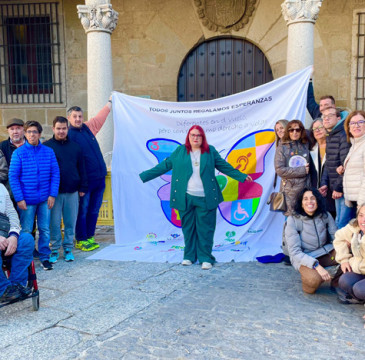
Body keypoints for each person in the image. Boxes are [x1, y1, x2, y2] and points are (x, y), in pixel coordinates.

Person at [139, 125, 252, 270]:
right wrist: (145, 175)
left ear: (203, 137)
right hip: (185, 197)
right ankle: (189, 256)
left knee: (206, 229)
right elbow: (165, 165)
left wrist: (241, 176)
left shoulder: (210, 151)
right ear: (188, 137)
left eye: (198, 135)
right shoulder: (180, 151)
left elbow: (224, 166)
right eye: (193, 135)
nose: (195, 138)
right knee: (188, 228)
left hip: (206, 197)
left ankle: (206, 258)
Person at [8, 121, 60, 270]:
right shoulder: (18, 153)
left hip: (44, 199)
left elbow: (55, 173)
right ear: (25, 134)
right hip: (27, 201)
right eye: (29, 132)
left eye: (35, 132)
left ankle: (44, 256)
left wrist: (52, 194)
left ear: (40, 134)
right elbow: (13, 177)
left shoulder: (48, 152)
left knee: (44, 229)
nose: (32, 134)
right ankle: (26, 258)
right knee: (26, 230)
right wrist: (19, 198)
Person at [67, 97, 112, 251]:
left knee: (94, 210)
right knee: (83, 210)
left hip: (99, 179)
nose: (78, 119)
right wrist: (79, 183)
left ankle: (90, 236)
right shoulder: (68, 135)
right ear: (69, 118)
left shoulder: (87, 128)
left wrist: (110, 102)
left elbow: (100, 118)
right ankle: (81, 238)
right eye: (75, 117)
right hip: (85, 183)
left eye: (80, 116)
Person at [44, 116, 88, 263]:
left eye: (64, 128)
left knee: (70, 222)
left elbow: (82, 168)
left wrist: (83, 186)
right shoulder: (47, 147)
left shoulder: (76, 147)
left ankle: (68, 248)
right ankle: (55, 249)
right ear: (53, 129)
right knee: (54, 223)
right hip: (53, 194)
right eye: (58, 128)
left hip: (72, 191)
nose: (61, 131)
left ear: (67, 129)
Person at [285, 187, 339, 294]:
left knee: (347, 251)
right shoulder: (293, 220)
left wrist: (345, 245)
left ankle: (336, 282)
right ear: (301, 203)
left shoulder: (325, 215)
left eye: (313, 198)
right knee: (314, 280)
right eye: (305, 199)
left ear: (317, 201)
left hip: (325, 252)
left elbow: (336, 238)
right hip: (304, 257)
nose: (309, 202)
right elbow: (294, 252)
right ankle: (309, 278)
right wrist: (316, 266)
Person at [319, 107, 353, 229]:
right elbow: (330, 163)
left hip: (344, 189)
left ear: (339, 118)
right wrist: (325, 183)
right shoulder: (332, 134)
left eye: (330, 115)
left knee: (343, 224)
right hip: (337, 188)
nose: (326, 118)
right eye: (324, 116)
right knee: (339, 221)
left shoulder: (343, 135)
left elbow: (346, 165)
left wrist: (338, 187)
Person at [0, 183, 34, 302]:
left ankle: (16, 286)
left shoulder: (1, 188)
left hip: (6, 230)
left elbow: (12, 213)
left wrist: (13, 236)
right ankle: (3, 289)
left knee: (27, 240)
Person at [274, 120, 311, 216]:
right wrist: (302, 170)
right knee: (291, 223)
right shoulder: (282, 147)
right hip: (290, 192)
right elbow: (280, 170)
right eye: (291, 130)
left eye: (297, 130)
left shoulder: (306, 143)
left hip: (307, 189)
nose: (294, 132)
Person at [333, 204, 365, 304]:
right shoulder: (354, 227)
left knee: (360, 289)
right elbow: (339, 238)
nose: (363, 220)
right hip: (361, 269)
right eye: (361, 215)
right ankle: (361, 299)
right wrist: (344, 259)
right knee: (344, 280)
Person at [337, 111, 365, 210]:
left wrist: (361, 205)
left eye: (360, 122)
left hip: (362, 202)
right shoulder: (355, 144)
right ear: (348, 127)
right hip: (355, 200)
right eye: (352, 123)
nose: (356, 126)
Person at [309, 118, 335, 217]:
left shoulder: (333, 145)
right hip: (315, 192)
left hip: (331, 192)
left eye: (320, 127)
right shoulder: (310, 149)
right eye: (314, 129)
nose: (318, 130)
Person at [0, 118, 26, 188]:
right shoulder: (2, 146)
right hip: (9, 188)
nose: (15, 132)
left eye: (18, 128)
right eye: (12, 129)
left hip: (29, 188)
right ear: (8, 131)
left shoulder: (31, 145)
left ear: (24, 130)